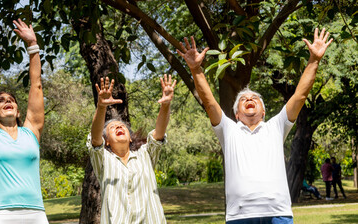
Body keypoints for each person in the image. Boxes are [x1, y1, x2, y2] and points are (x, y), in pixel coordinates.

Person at [176, 28, 333, 223]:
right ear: (236, 114)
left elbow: (300, 96)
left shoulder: (276, 126)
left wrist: (314, 60)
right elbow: (209, 103)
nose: (249, 99)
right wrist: (195, 69)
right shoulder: (228, 129)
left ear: (264, 111)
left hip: (278, 214)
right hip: (240, 216)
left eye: (255, 98)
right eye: (243, 99)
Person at [0, 16, 48, 223]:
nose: (7, 101)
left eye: (12, 101)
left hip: (35, 213)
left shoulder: (31, 131)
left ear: (17, 111)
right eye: (1, 101)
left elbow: (36, 85)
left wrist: (33, 45)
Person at [88, 74, 176, 223]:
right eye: (112, 128)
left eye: (122, 126)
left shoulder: (145, 155)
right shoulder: (103, 160)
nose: (118, 127)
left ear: (130, 138)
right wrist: (101, 106)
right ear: (107, 141)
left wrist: (166, 104)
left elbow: (159, 132)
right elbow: (95, 139)